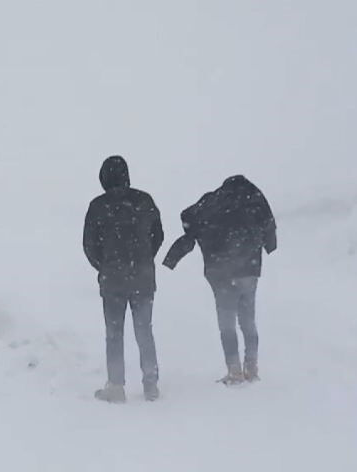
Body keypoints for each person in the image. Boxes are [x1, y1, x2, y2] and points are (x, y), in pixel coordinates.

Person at [163, 175, 277, 385]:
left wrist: (174, 256)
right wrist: (269, 244)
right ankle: (251, 368)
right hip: (249, 270)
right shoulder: (254, 198)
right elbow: (269, 225)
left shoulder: (214, 201)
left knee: (227, 324)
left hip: (222, 273)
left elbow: (188, 217)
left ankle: (234, 371)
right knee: (248, 322)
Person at [84, 156, 164, 403]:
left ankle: (116, 386)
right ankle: (151, 384)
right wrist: (143, 259)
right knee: (144, 331)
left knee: (114, 333)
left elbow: (89, 245)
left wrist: (105, 266)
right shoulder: (144, 200)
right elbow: (158, 235)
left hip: (113, 281)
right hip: (143, 278)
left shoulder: (98, 206)